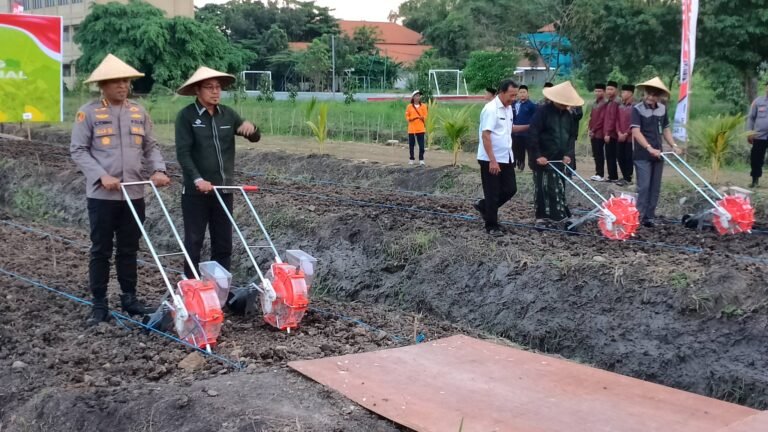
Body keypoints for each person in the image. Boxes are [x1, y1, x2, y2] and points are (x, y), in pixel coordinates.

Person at [70, 54, 170, 326]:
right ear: (102, 85)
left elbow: (150, 146)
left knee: (129, 248)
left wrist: (158, 170)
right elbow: (78, 150)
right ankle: (99, 304)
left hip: (133, 193)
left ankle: (130, 298)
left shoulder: (138, 111)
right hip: (103, 196)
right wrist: (101, 175)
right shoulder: (88, 113)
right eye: (116, 81)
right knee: (101, 249)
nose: (122, 86)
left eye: (125, 81)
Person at [175, 66, 260, 278]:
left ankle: (220, 287)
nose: (215, 92)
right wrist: (197, 179)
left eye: (218, 87)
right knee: (194, 241)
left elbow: (254, 136)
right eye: (209, 87)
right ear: (197, 90)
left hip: (223, 190)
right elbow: (183, 153)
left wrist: (252, 129)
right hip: (196, 192)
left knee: (223, 242)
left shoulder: (228, 115)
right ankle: (192, 286)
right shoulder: (186, 117)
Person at [528, 81, 584, 225]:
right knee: (542, 187)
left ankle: (558, 214)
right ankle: (541, 217)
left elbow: (572, 136)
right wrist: (538, 155)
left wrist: (568, 154)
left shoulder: (568, 115)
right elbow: (533, 134)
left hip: (559, 158)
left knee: (558, 186)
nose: (565, 105)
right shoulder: (542, 112)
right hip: (542, 156)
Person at [631, 77, 683, 228]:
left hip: (659, 154)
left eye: (653, 95)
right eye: (648, 94)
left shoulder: (662, 109)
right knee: (644, 186)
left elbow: (665, 129)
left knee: (655, 187)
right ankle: (637, 217)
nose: (649, 97)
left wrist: (673, 145)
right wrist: (648, 148)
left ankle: (649, 217)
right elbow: (636, 131)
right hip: (643, 154)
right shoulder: (637, 109)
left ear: (659, 97)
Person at [473, 79, 518, 237]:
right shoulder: (491, 109)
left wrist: (529, 127)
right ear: (502, 92)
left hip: (506, 156)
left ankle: (484, 206)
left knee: (511, 189)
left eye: (515, 95)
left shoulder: (509, 108)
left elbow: (507, 129)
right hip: (490, 158)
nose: (513, 98)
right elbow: (486, 135)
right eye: (511, 95)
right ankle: (491, 225)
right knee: (492, 192)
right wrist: (492, 160)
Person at [747, 81, 768, 187]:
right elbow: (751, 118)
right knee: (756, 158)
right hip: (760, 135)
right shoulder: (758, 101)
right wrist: (750, 132)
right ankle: (755, 181)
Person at [615, 84, 636, 186]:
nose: (622, 94)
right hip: (620, 136)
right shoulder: (620, 107)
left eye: (624, 92)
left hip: (630, 138)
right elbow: (617, 121)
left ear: (630, 93)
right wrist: (619, 133)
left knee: (629, 157)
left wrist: (626, 133)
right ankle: (624, 176)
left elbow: (634, 123)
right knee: (620, 156)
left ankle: (628, 178)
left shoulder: (635, 107)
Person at [512, 84, 537, 171]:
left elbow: (535, 118)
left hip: (527, 133)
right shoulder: (514, 104)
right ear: (518, 94)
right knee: (518, 150)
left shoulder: (532, 105)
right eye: (520, 92)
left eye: (524, 92)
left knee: (529, 150)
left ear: (527, 93)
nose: (522, 94)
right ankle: (520, 164)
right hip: (516, 132)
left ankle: (532, 166)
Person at [588, 83, 608, 181]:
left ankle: (600, 174)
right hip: (593, 132)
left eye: (600, 91)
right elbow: (591, 117)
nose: (597, 93)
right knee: (596, 153)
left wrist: (593, 129)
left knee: (599, 153)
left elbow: (601, 119)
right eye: (596, 91)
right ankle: (597, 172)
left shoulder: (604, 103)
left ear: (604, 92)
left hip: (600, 132)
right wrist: (590, 129)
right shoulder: (594, 103)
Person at [602, 80, 620, 182]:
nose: (609, 91)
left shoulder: (616, 102)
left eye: (611, 89)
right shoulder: (609, 102)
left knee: (613, 155)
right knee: (609, 155)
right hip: (607, 133)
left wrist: (608, 133)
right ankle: (611, 176)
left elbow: (613, 119)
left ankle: (614, 176)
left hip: (613, 134)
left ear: (616, 90)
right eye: (607, 89)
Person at [405, 90, 428, 166]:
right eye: (416, 96)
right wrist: (410, 118)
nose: (418, 97)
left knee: (422, 146)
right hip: (412, 128)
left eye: (419, 96)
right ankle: (411, 159)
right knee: (411, 145)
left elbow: (426, 116)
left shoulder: (424, 106)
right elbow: (407, 116)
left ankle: (421, 159)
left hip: (420, 128)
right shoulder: (409, 106)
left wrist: (422, 117)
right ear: (413, 97)